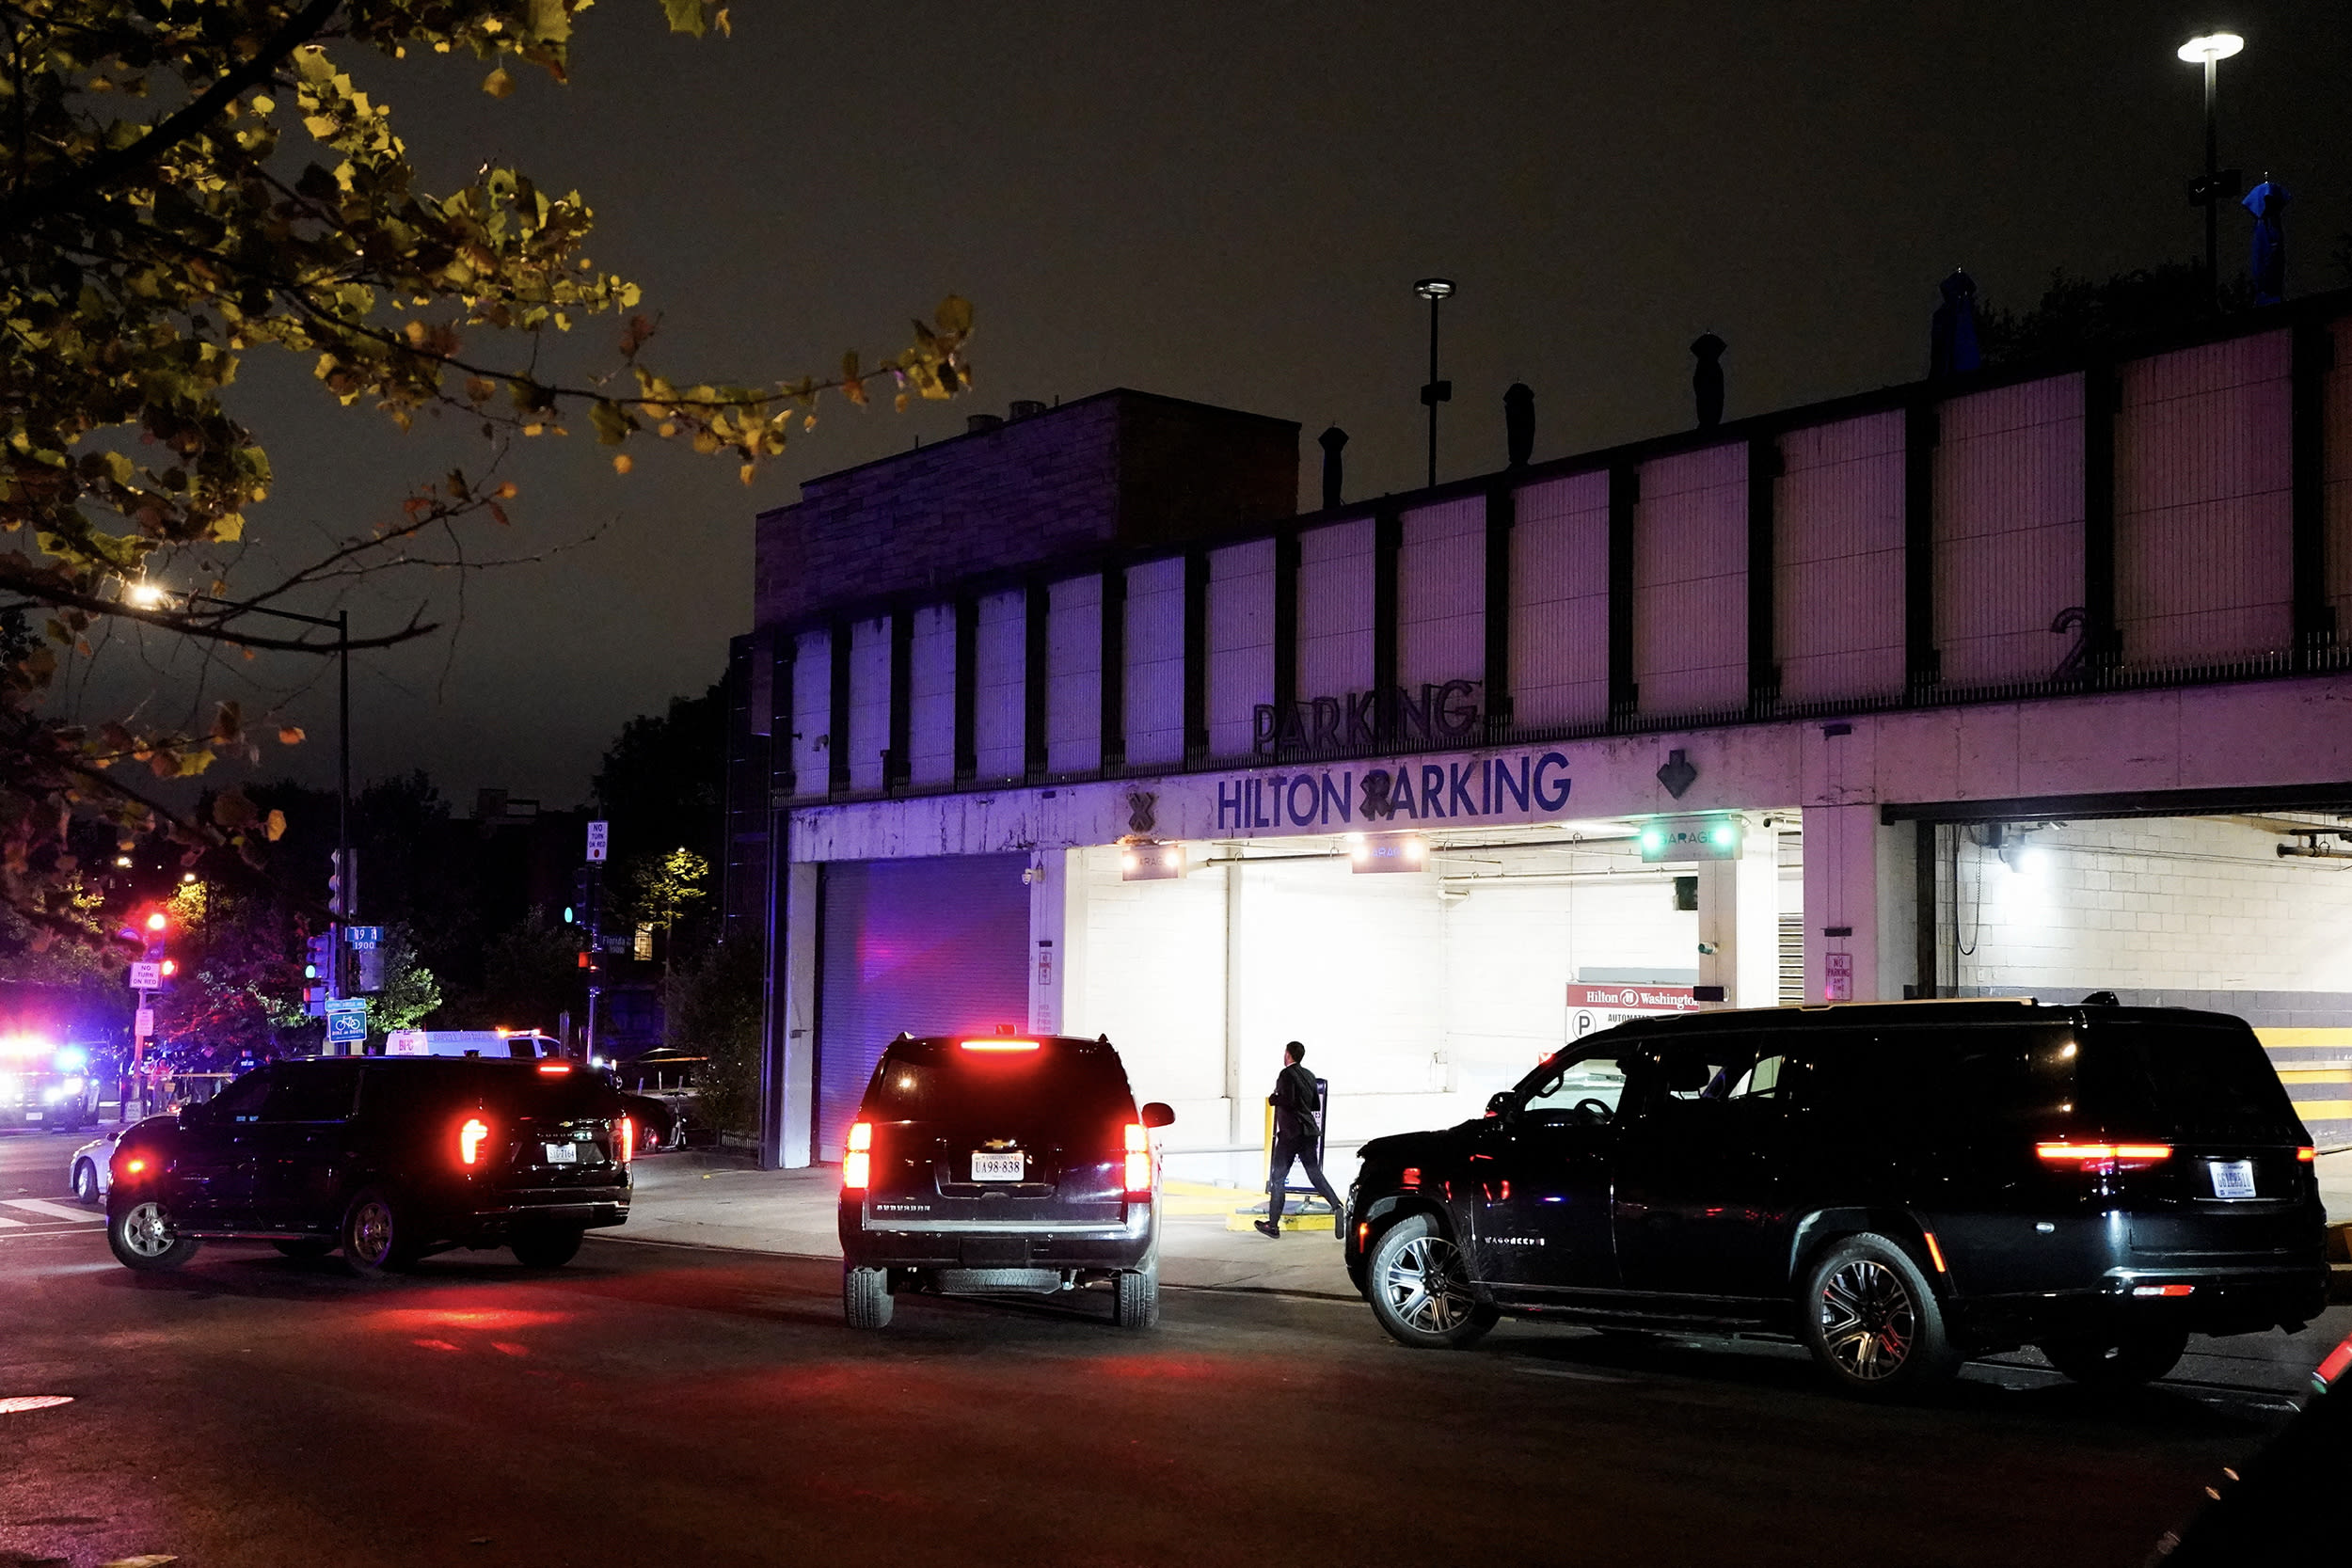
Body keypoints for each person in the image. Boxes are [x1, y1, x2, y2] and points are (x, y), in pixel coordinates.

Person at [1254, 1041, 1343, 1239]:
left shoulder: (1286, 1074)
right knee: (1314, 1173)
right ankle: (1336, 1205)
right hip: (1309, 1132)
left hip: (1290, 1134)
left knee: (1278, 1178)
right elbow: (1314, 1105)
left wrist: (1274, 1099)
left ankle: (1273, 1225)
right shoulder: (1310, 1075)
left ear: (1288, 1055)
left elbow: (1289, 1101)